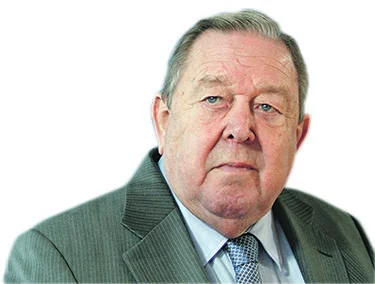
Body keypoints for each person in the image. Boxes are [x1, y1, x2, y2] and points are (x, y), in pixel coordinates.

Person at [4, 9, 374, 283]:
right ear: (164, 121)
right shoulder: (57, 258)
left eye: (267, 106)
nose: (241, 128)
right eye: (214, 99)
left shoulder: (345, 234)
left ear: (297, 137)